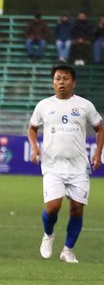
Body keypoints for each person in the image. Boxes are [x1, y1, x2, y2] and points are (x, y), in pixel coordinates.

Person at [28, 64, 103, 264]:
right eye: (58, 78)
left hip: (79, 166)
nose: (62, 82)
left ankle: (68, 250)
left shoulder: (85, 105)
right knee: (53, 207)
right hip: (53, 165)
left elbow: (100, 128)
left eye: (66, 78)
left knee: (77, 209)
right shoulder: (43, 105)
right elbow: (32, 129)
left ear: (73, 82)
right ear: (53, 83)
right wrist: (34, 148)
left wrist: (97, 153)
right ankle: (48, 234)